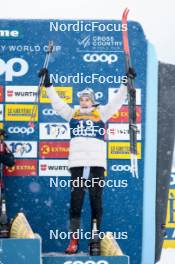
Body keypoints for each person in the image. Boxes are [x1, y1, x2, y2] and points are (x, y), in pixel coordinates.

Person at [38, 67, 136, 254]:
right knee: (76, 201)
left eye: (86, 98)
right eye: (81, 98)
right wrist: (48, 84)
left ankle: (94, 239)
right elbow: (57, 103)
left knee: (96, 201)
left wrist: (125, 82)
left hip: (97, 165)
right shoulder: (72, 113)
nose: (83, 101)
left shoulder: (102, 112)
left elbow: (116, 100)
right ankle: (73, 241)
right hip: (77, 164)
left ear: (92, 100)